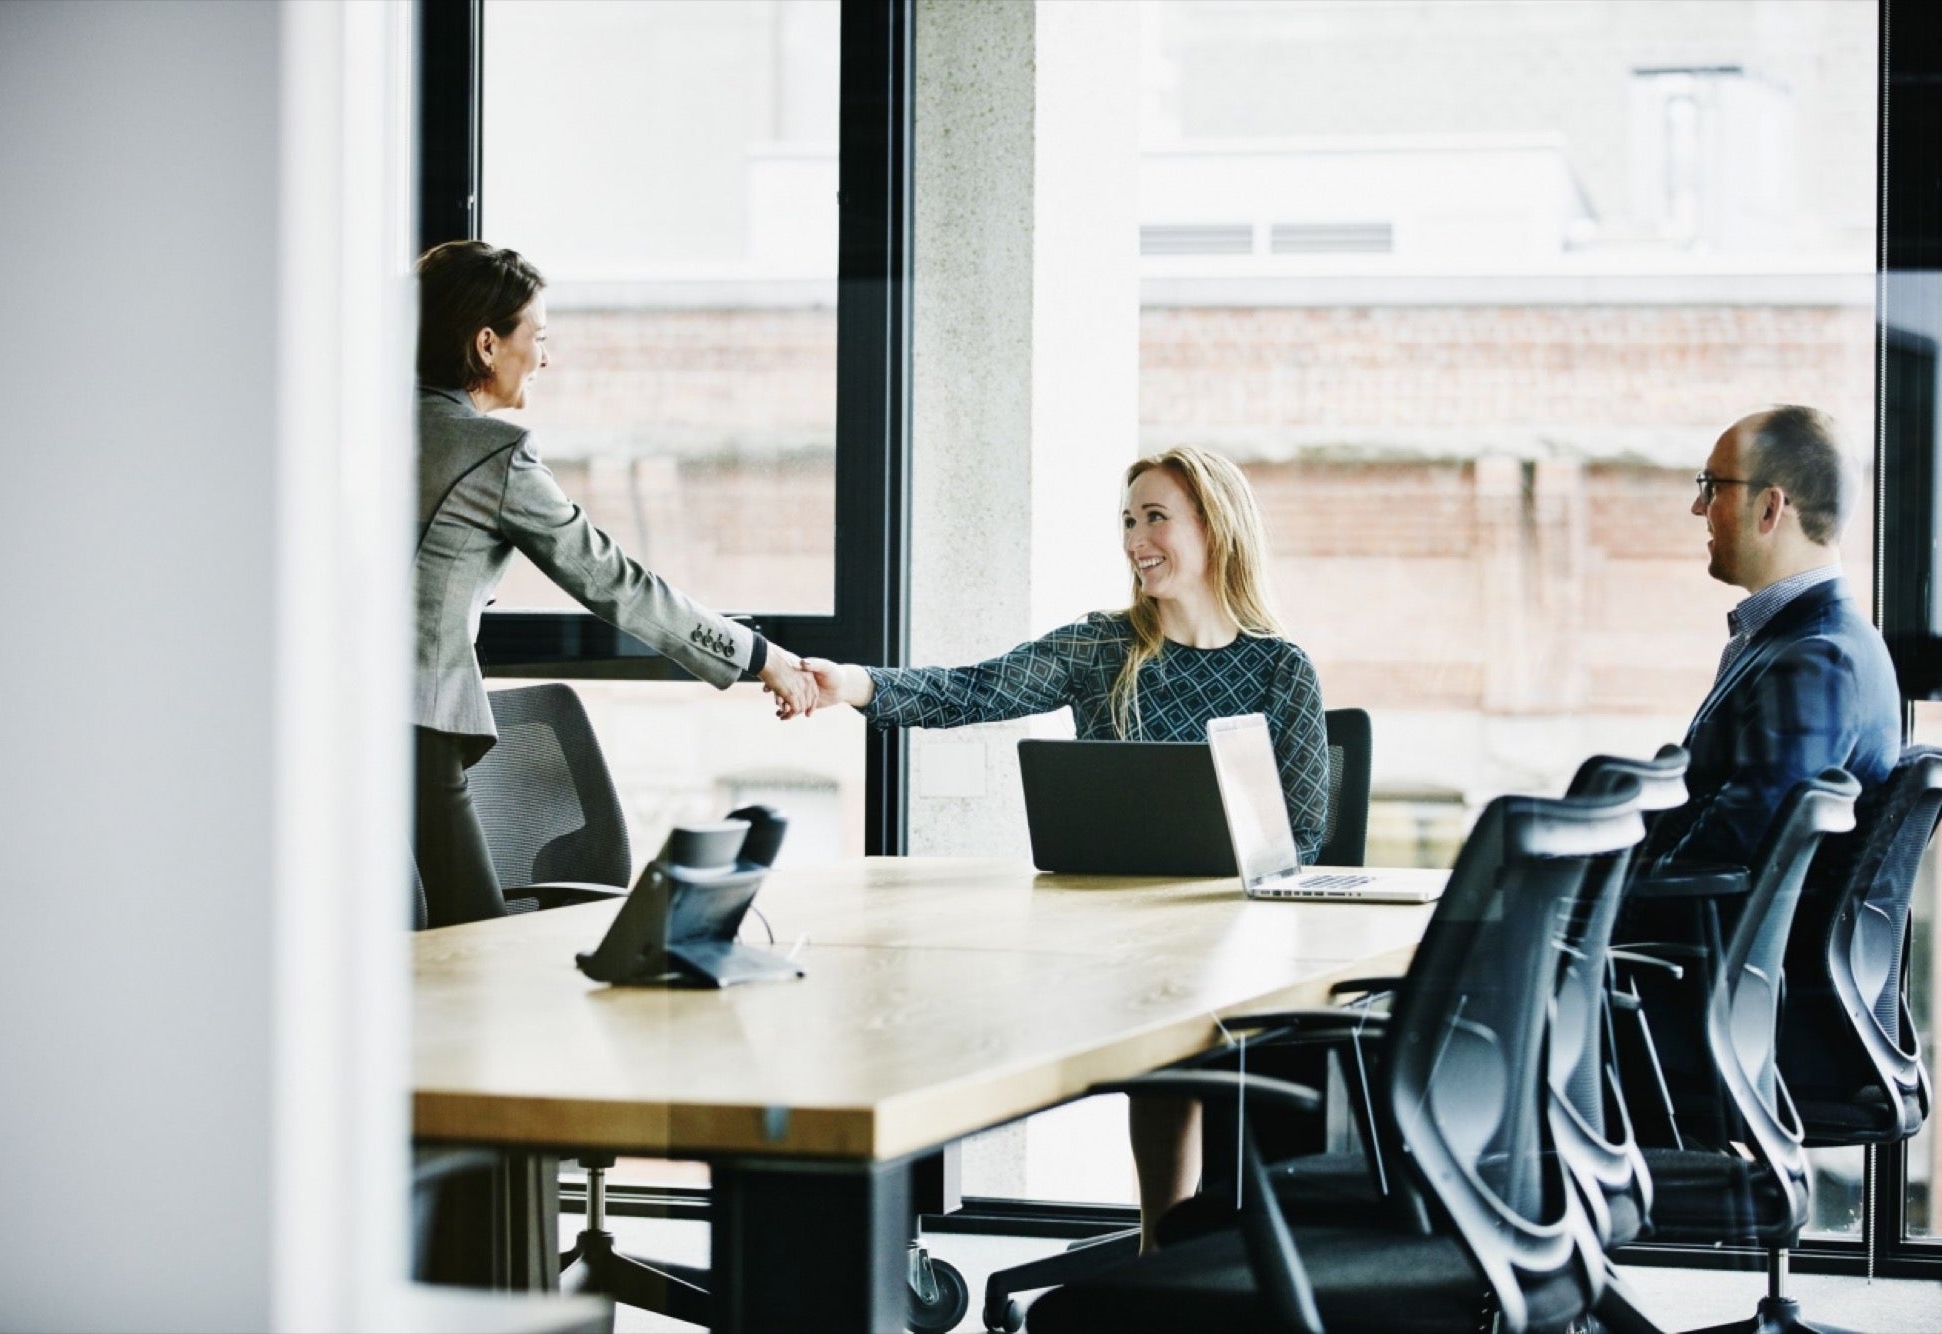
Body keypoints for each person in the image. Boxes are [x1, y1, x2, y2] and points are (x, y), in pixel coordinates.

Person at [802, 445, 1330, 1248]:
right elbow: (974, 689)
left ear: (1215, 527)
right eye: (1128, 520)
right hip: (1113, 944)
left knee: (1205, 1036)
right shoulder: (1101, 649)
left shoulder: (1280, 667)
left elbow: (1306, 831)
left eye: (1156, 517)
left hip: (1233, 935)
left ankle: (1213, 1253)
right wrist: (856, 684)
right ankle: (1161, 1248)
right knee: (1142, 1022)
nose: (1134, 539)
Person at [412, 240, 818, 929]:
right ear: (487, 344)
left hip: (310, 721)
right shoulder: (491, 455)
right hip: (414, 730)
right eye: (536, 337)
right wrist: (760, 656)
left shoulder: (343, 431)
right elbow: (614, 580)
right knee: (468, 953)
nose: (545, 357)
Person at [1638, 405, 1900, 877]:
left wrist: (1596, 908)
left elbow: (1732, 853)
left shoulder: (1819, 662)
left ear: (1769, 507)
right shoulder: (1811, 642)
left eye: (1712, 485)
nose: (1699, 507)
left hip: (1705, 946)